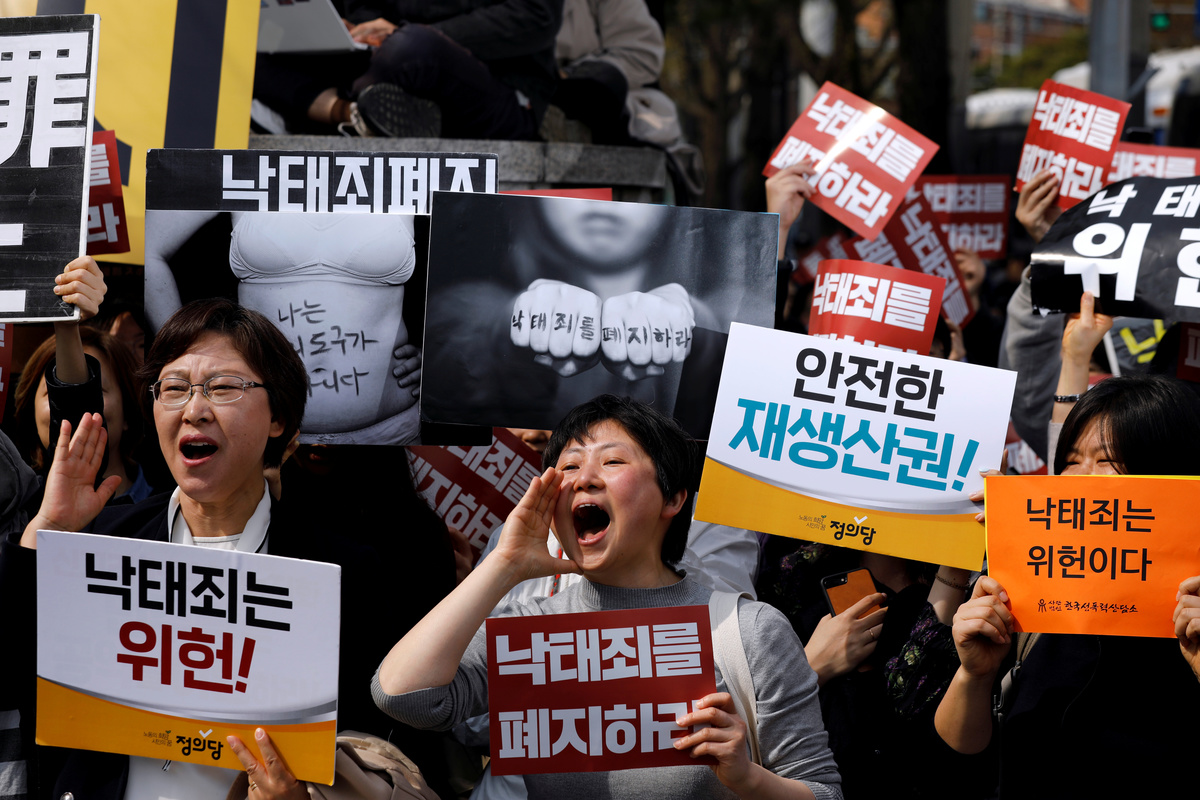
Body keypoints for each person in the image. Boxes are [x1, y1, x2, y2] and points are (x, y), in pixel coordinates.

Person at [0, 299, 448, 799]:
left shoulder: (340, 571)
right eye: (174, 388)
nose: (195, 410)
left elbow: (372, 743)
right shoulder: (103, 543)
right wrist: (49, 527)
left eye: (224, 387)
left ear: (279, 417)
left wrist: (301, 795)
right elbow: (14, 674)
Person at [373, 395, 842, 799]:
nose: (584, 478)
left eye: (612, 462)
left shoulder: (748, 631)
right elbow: (401, 696)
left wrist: (748, 778)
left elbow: (823, 790)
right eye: (569, 466)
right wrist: (503, 565)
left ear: (673, 498)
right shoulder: (526, 628)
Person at [934, 374, 1200, 798]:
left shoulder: (1192, 620)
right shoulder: (1025, 601)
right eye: (1071, 461)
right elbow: (960, 753)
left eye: (1107, 460)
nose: (1081, 478)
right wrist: (974, 674)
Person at [144, 211, 423, 444]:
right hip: (259, 432)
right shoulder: (238, 169)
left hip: (392, 432)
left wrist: (438, 362)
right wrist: (188, 358)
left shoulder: (402, 175)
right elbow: (146, 246)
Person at [254, 0, 561, 141]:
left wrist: (405, 34)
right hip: (389, 65)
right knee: (260, 54)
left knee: (413, 47)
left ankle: (362, 111)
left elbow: (536, 16)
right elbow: (366, 9)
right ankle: (352, 114)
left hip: (495, 89)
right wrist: (357, 29)